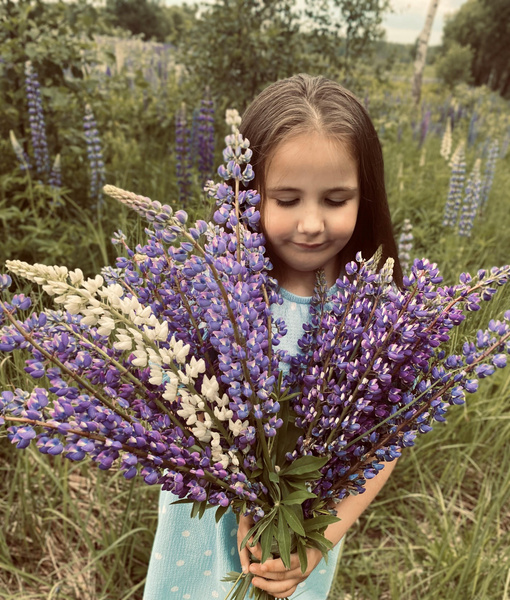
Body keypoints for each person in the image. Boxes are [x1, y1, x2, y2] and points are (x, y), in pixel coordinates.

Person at [143, 73, 403, 600]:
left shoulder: (370, 308)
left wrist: (316, 543)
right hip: (206, 517)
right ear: (247, 195)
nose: (311, 222)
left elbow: (389, 438)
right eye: (286, 199)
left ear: (365, 196)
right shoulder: (213, 283)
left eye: (335, 199)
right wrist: (243, 499)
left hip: (299, 536)